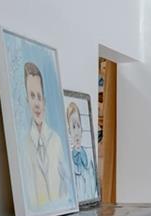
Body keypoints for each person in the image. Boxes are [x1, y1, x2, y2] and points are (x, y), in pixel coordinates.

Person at [23, 61, 69, 207]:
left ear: (45, 101)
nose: (37, 103)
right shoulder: (24, 145)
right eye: (32, 96)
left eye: (39, 96)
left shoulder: (56, 140)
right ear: (27, 101)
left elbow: (65, 183)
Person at [65, 98, 97, 204]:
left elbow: (94, 187)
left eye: (78, 126)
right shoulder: (68, 161)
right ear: (69, 131)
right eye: (73, 127)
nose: (77, 132)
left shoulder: (89, 157)